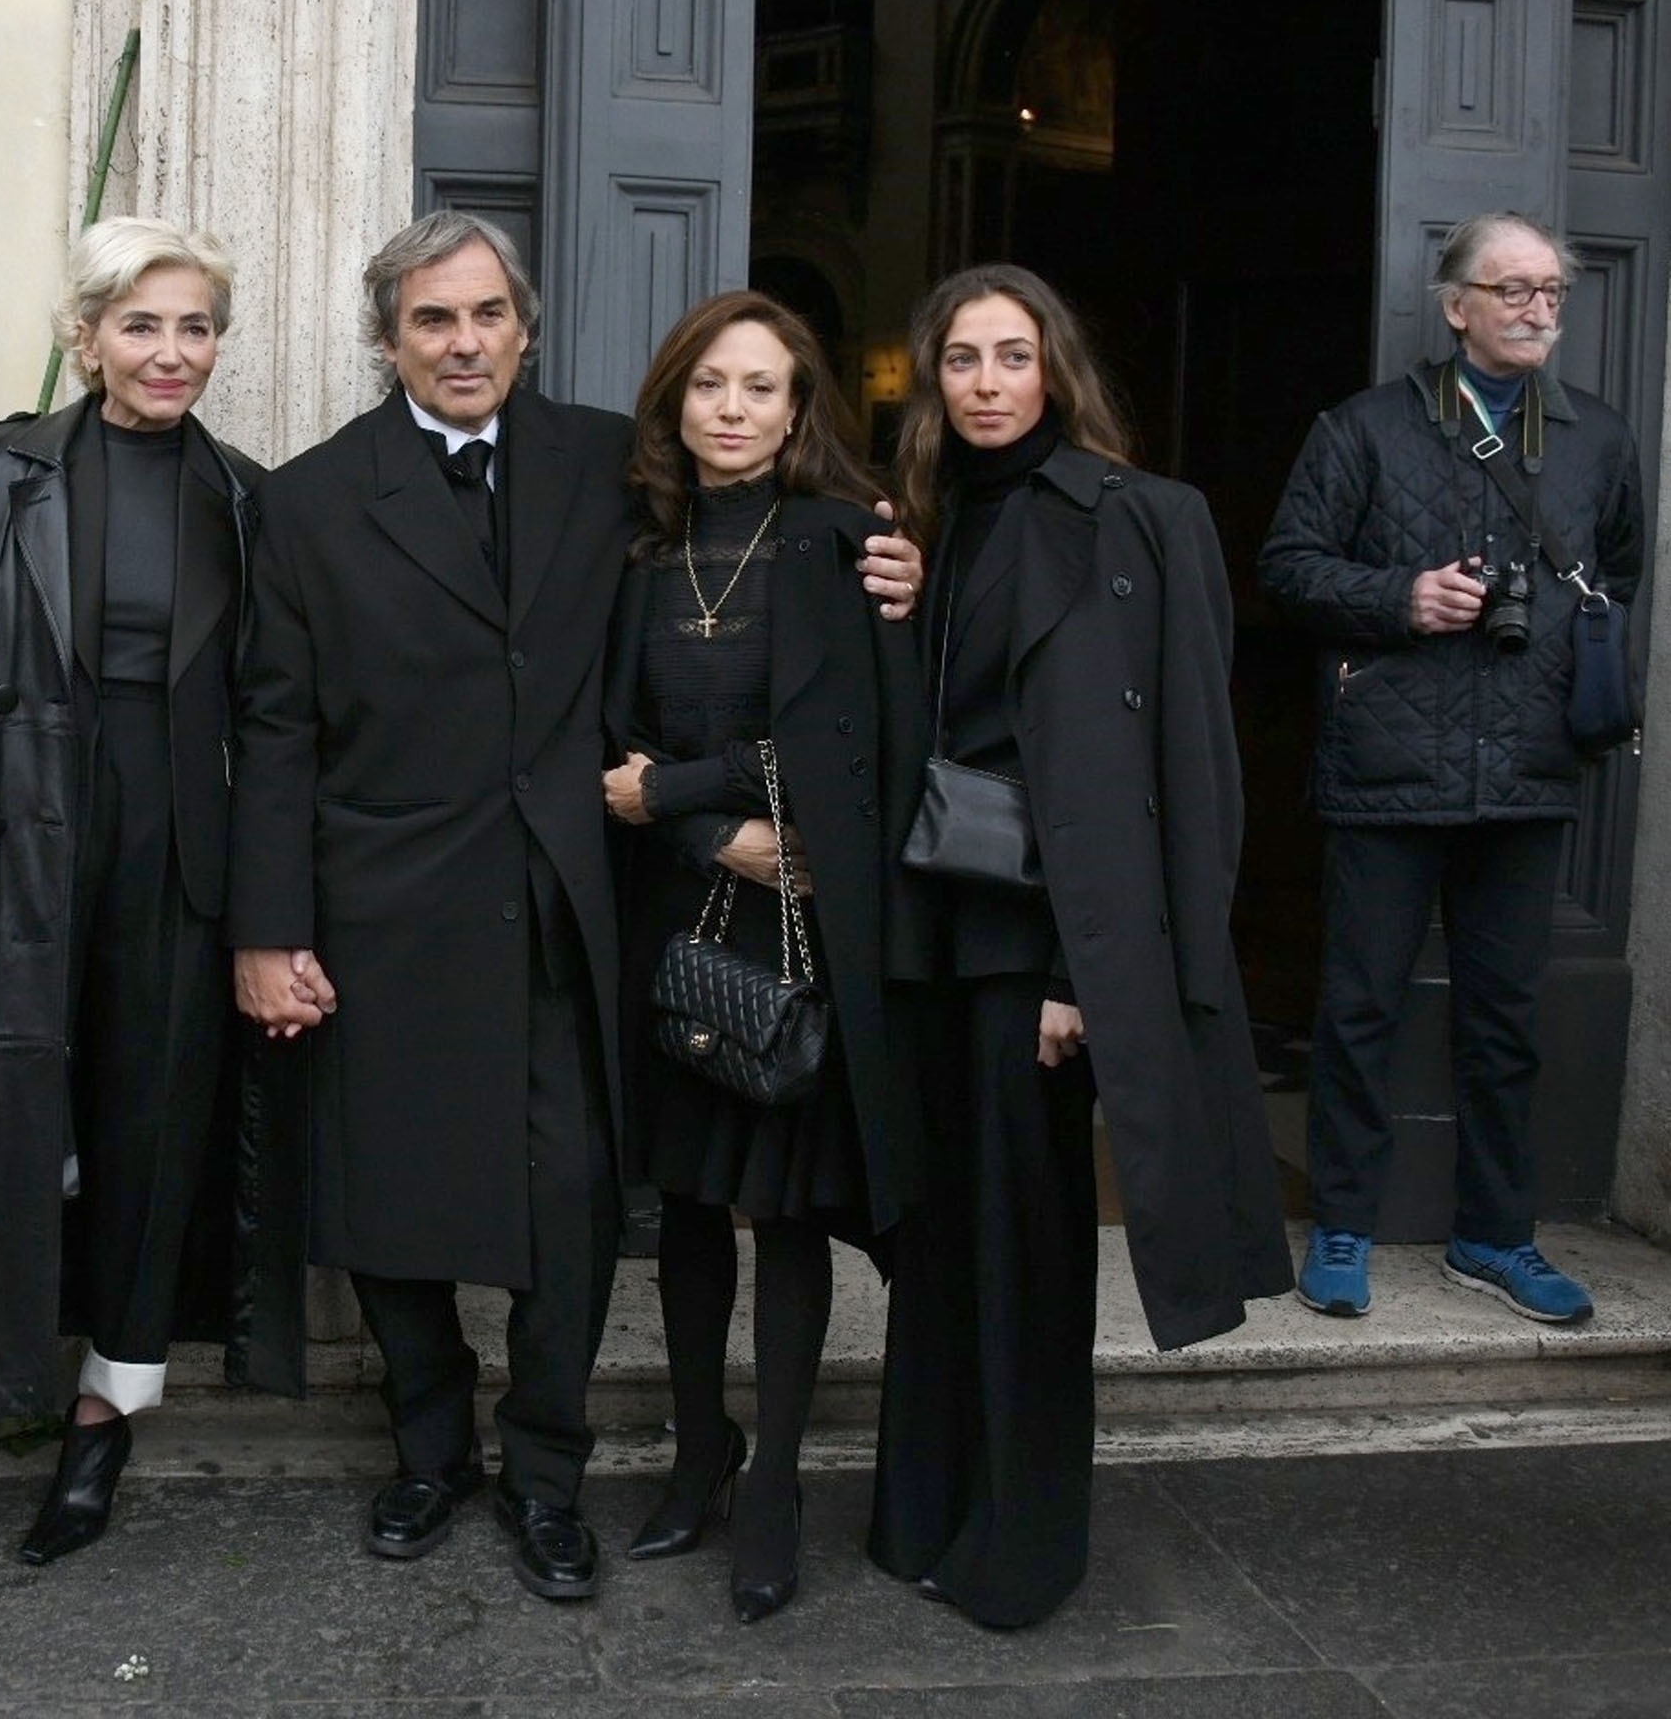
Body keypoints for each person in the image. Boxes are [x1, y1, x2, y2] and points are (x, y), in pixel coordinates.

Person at [228, 213, 922, 1603]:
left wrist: (888, 573)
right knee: (387, 1199)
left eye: (487, 314)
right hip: (378, 909)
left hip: (570, 908)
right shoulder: (305, 501)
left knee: (567, 1205)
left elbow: (756, 542)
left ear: (525, 328)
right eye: (433, 319)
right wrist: (265, 928)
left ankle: (543, 1473)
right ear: (386, 339)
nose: (465, 341)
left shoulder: (612, 463)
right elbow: (274, 728)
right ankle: (430, 1451)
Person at [0, 219, 300, 1569]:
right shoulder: (0, 470)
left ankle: (104, 1418)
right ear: (87, 337)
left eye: (195, 328)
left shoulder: (243, 494)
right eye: (142, 326)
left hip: (173, 852)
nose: (171, 354)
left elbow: (268, 703)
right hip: (15, 842)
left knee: (145, 1127)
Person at [866, 263, 1289, 1630]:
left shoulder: (1143, 519)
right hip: (925, 932)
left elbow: (1189, 768)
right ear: (931, 380)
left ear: (1056, 369)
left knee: (1029, 1259)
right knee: (935, 1246)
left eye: (1011, 356)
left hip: (1036, 952)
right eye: (960, 360)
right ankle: (921, 1511)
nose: (986, 383)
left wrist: (1080, 976)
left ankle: (1023, 1548)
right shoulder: (918, 525)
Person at [600, 290, 927, 1624]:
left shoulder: (846, 543)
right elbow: (592, 739)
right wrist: (698, 829)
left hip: (801, 925)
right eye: (707, 386)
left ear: (800, 411)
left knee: (785, 1213)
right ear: (674, 400)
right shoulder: (635, 553)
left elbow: (849, 744)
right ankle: (698, 1454)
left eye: (759, 388)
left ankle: (779, 1476)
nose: (729, 410)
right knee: (683, 1206)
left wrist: (691, 800)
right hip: (672, 917)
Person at [1258, 213, 1644, 1326]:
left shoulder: (1598, 439)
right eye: (1510, 288)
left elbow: (1613, 569)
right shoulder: (1362, 430)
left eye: (1550, 292)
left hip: (1526, 767)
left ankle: (1494, 1235)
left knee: (1503, 1019)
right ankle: (1339, 1226)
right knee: (1359, 1006)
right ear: (1454, 303)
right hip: (1385, 763)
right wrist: (1400, 597)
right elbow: (1285, 565)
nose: (1535, 308)